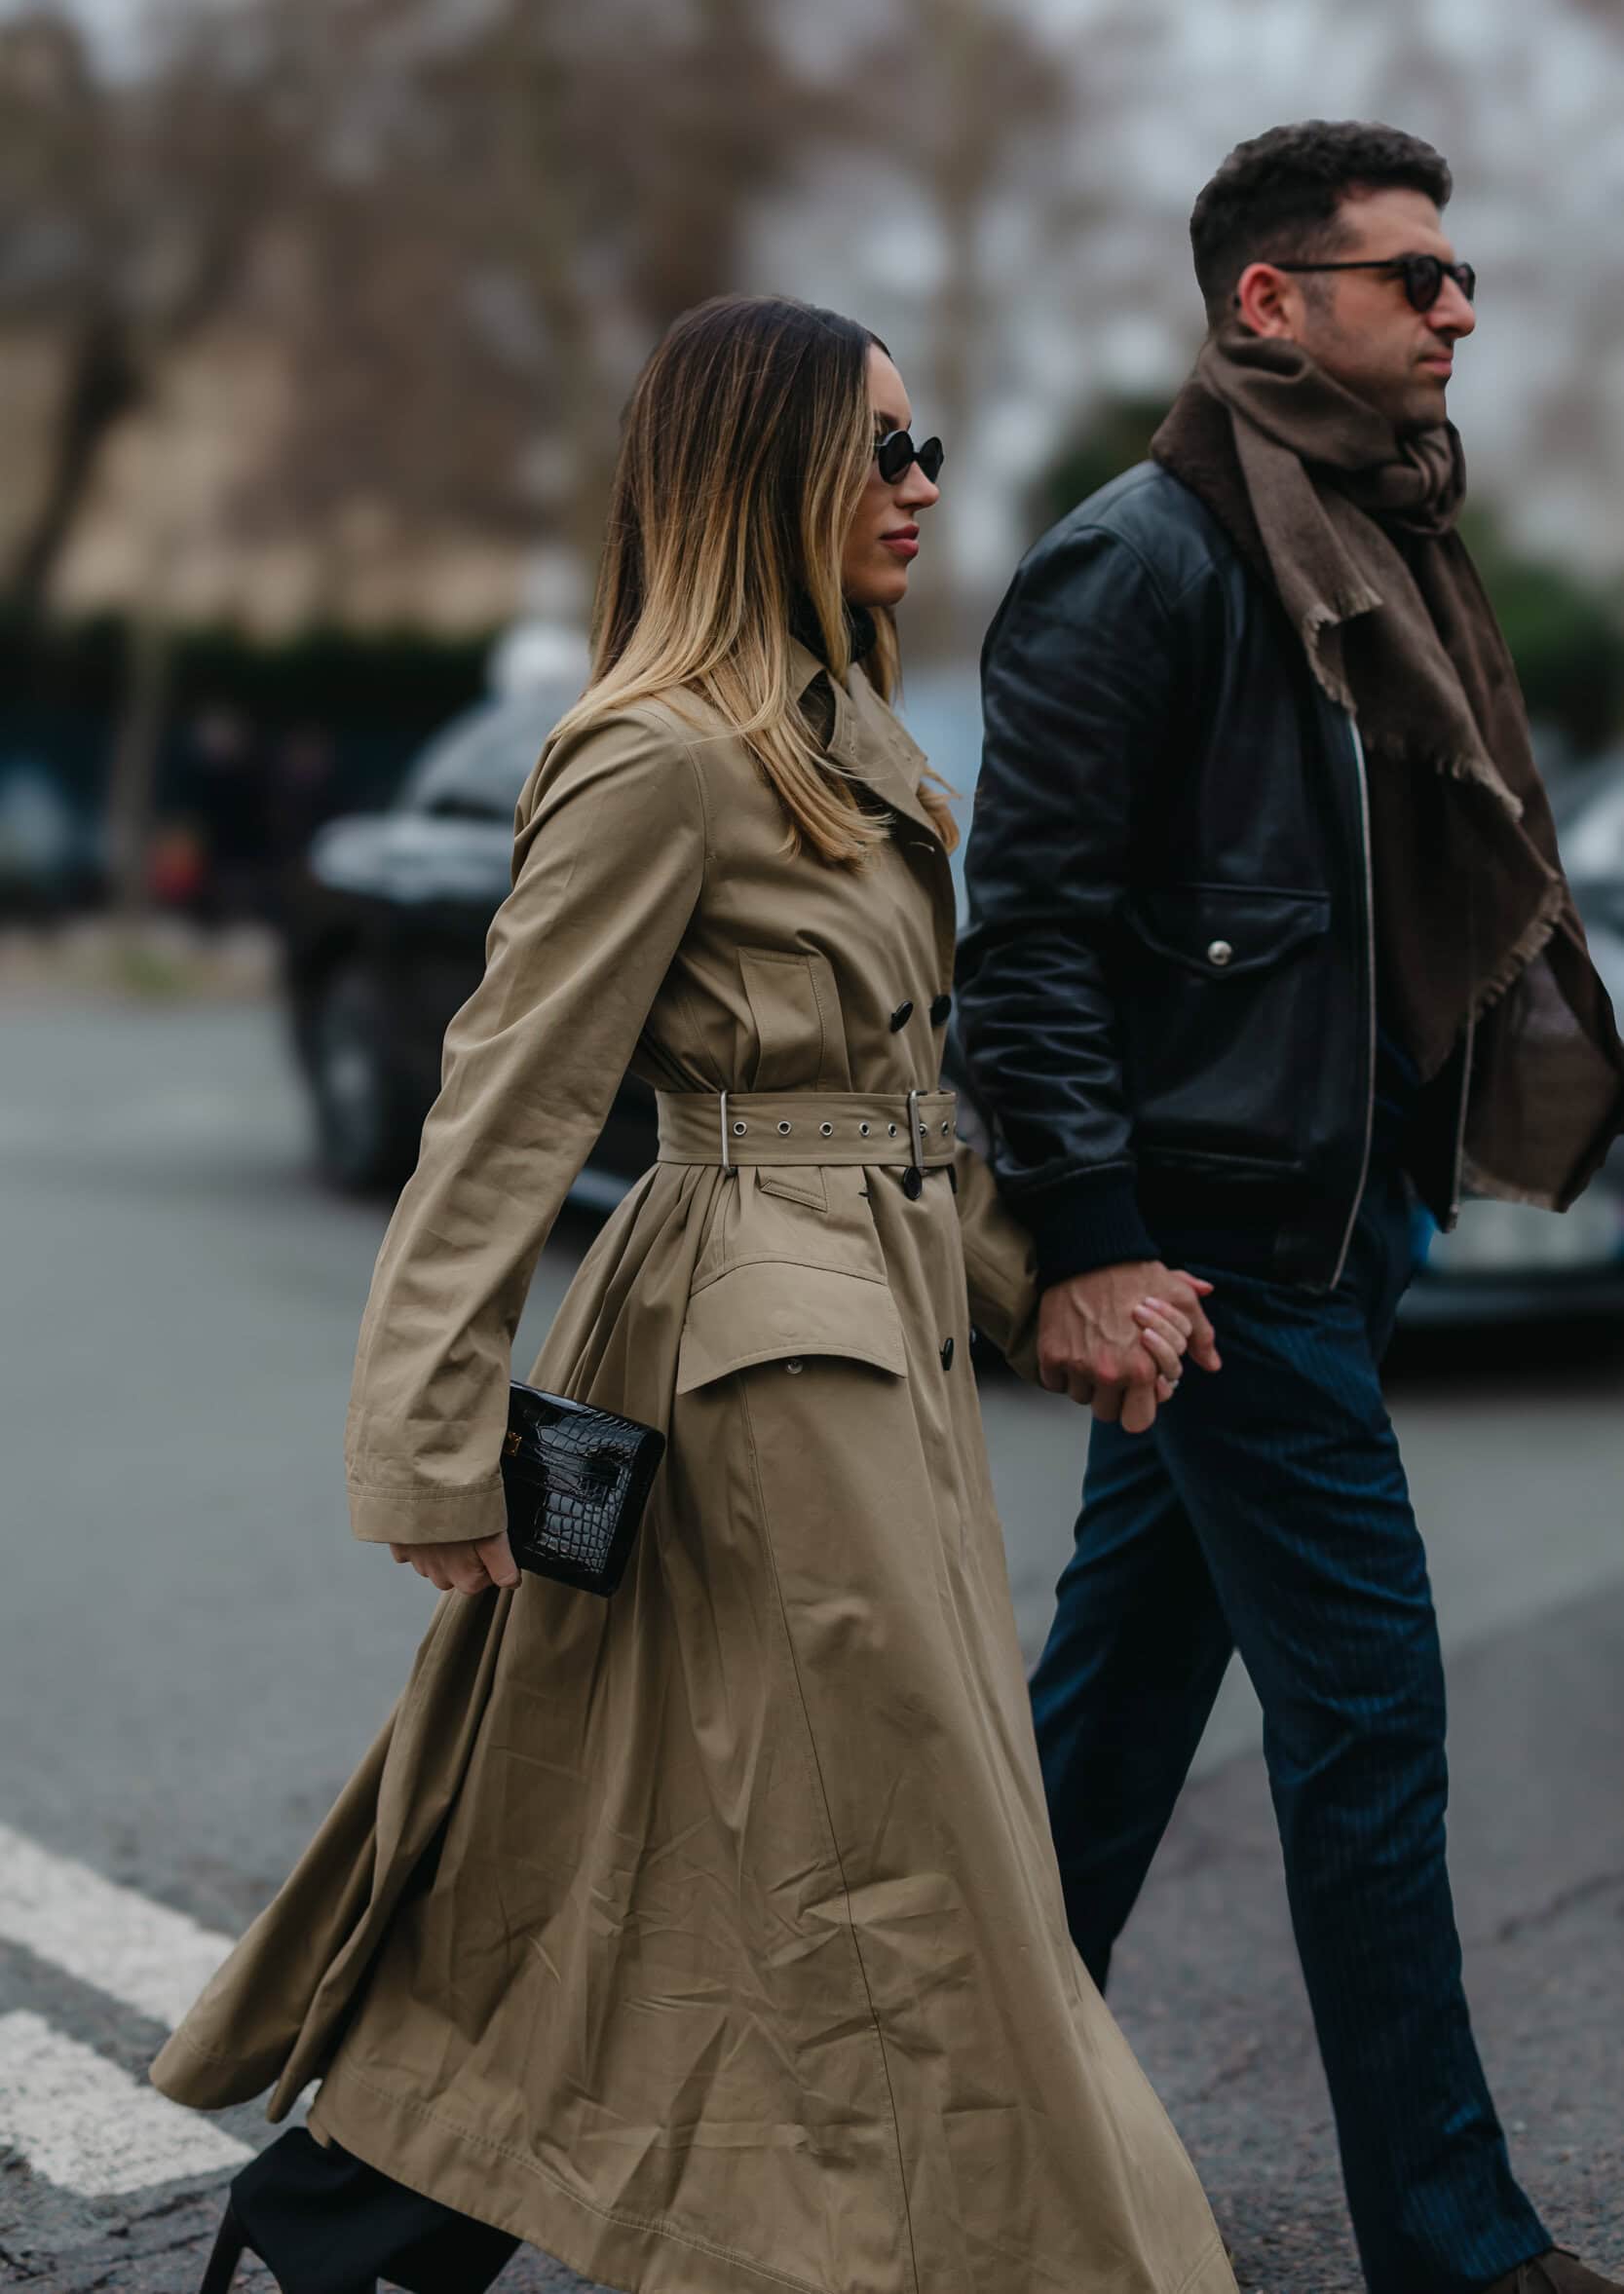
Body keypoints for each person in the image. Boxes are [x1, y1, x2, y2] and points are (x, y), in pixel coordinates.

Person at [152, 295, 1235, 2294]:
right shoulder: (653, 758)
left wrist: (1047, 1291)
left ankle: (351, 2220)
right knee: (908, 1852)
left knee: (615, 1819)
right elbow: (500, 1115)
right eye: (883, 450)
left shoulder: (846, 740)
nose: (923, 486)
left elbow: (895, 1104)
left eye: (926, 447)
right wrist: (428, 1444)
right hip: (758, 1367)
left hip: (872, 1332)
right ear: (762, 474)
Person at [957, 120, 1624, 2294]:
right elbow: (1026, 946)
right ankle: (1451, 2236)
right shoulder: (1143, 560)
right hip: (1220, 1247)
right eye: (1413, 276)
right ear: (1270, 301)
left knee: (1112, 1717)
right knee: (1370, 1714)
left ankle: (943, 2134)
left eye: (1459, 275)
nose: (1458, 310)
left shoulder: (1384, 538)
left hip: (1338, 1223)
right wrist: (1092, 1236)